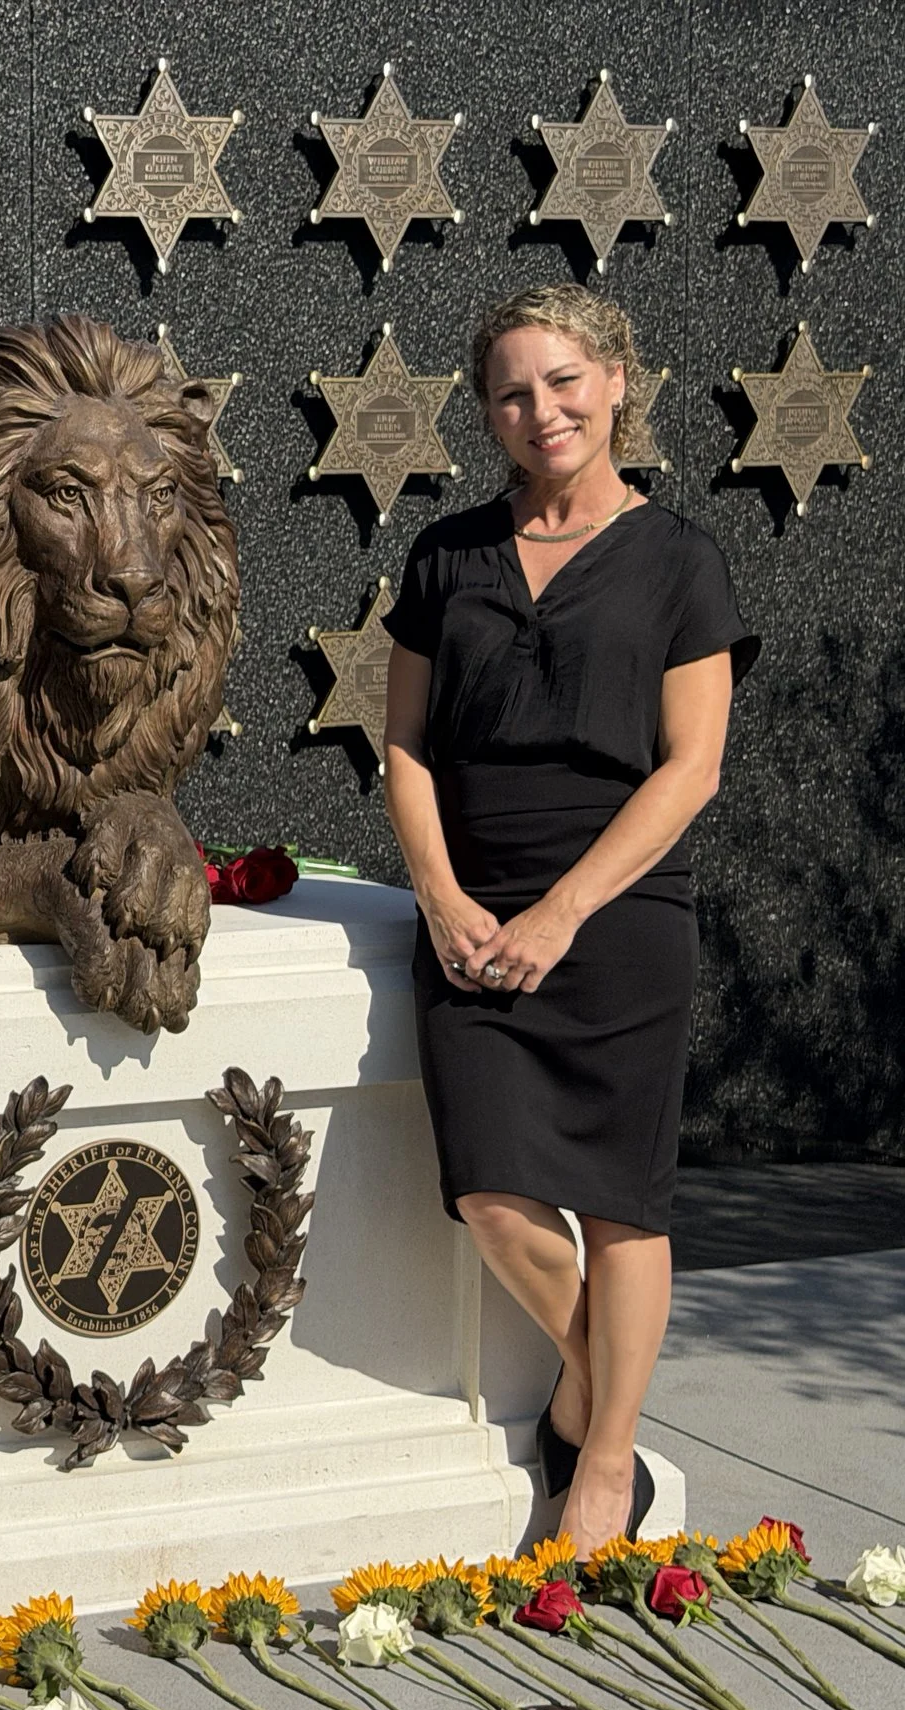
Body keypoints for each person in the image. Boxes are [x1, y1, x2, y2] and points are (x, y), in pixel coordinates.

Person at [381, 283, 753, 1549]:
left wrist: (562, 912)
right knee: (492, 1195)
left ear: (615, 381)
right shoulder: (445, 556)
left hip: (620, 917)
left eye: (562, 382)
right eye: (510, 392)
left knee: (621, 1206)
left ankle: (601, 1471)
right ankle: (604, 1390)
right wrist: (438, 896)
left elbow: (689, 766)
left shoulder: (681, 561)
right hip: (472, 920)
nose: (539, 410)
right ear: (485, 413)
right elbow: (406, 746)